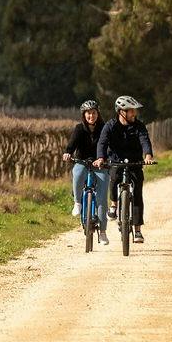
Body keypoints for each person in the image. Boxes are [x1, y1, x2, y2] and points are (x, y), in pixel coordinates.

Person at [96, 95, 157, 240]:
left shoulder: (139, 126)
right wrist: (100, 158)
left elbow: (144, 140)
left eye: (134, 111)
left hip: (135, 162)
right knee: (114, 177)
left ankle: (137, 230)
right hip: (116, 161)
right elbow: (102, 143)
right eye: (130, 111)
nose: (134, 113)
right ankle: (114, 205)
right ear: (121, 112)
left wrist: (148, 155)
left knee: (137, 194)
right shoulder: (110, 125)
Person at [62, 99, 111, 241]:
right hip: (82, 162)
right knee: (77, 174)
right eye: (88, 113)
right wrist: (68, 153)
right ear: (84, 115)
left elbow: (109, 146)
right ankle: (77, 203)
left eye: (94, 113)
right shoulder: (79, 128)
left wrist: (105, 159)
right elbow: (72, 144)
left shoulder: (104, 128)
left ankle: (102, 232)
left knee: (102, 199)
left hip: (100, 164)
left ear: (98, 114)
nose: (91, 116)